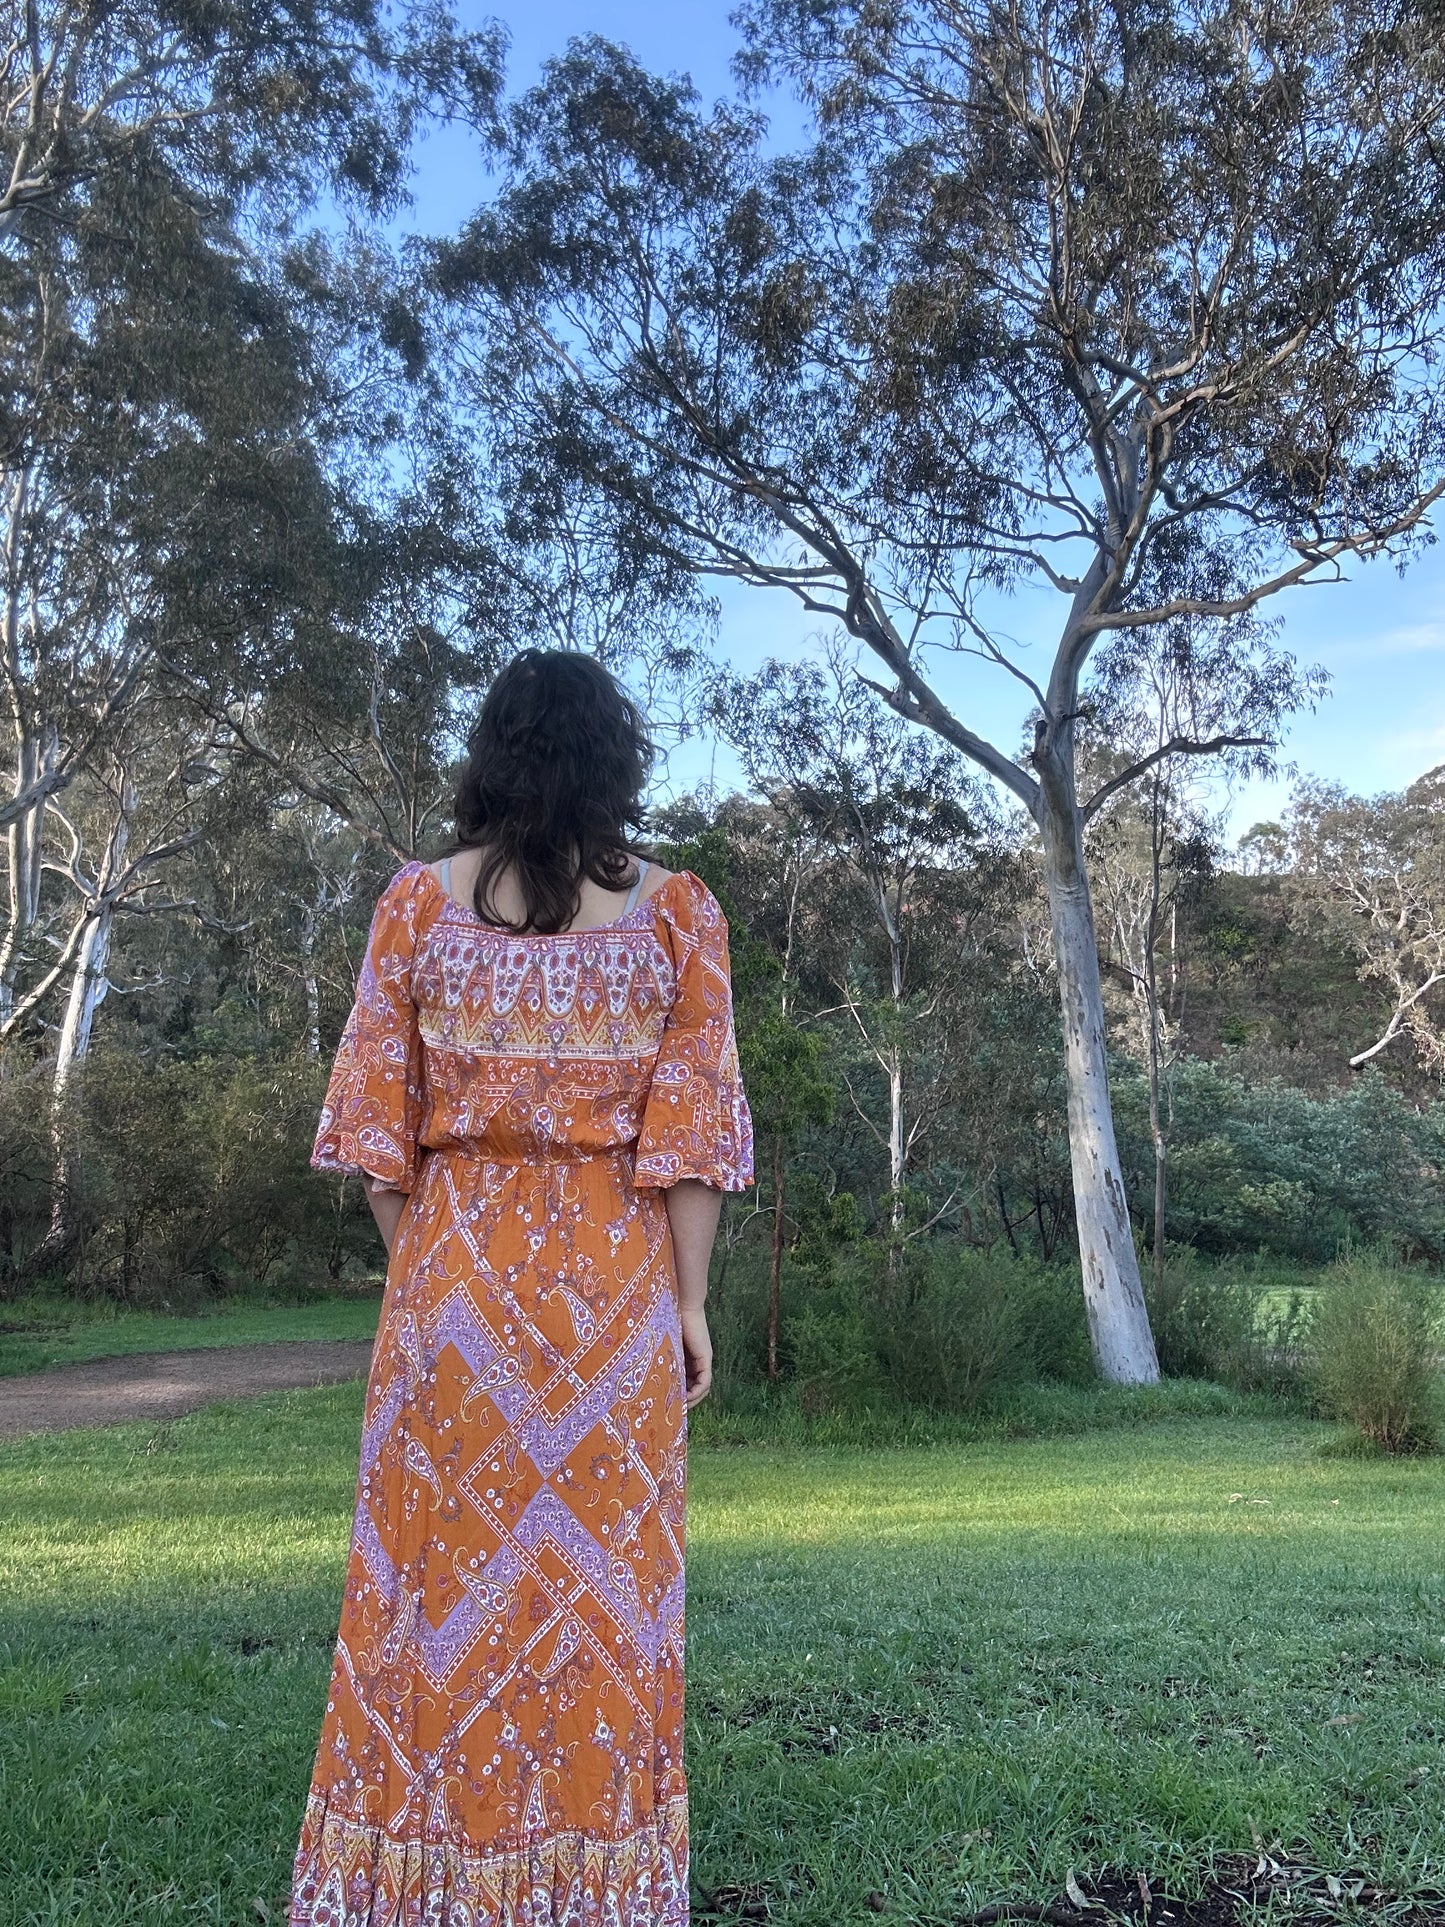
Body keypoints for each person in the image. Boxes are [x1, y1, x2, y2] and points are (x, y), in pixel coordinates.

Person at [289, 650, 754, 1927]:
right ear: (618, 761)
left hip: (452, 1289)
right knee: (606, 1599)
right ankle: (590, 1888)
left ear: (490, 753)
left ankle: (421, 1887)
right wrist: (688, 1305)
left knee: (430, 1595)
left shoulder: (414, 908)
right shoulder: (676, 912)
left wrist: (438, 1273)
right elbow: (691, 1144)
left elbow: (378, 1145)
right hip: (611, 1288)